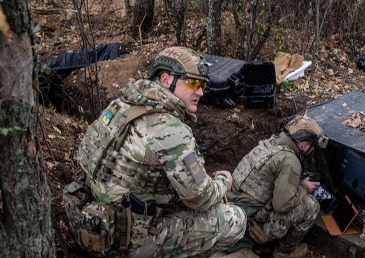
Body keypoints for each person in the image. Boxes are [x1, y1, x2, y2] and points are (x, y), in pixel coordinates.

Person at [74, 46, 246, 257]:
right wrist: (222, 182)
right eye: (193, 83)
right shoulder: (169, 129)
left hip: (99, 223)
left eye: (202, 85)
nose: (200, 92)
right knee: (235, 218)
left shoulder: (120, 106)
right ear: (166, 80)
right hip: (134, 240)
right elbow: (200, 198)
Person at [227, 113, 329, 258]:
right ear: (305, 144)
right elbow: (282, 205)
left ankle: (263, 247)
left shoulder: (271, 143)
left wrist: (294, 180)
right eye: (311, 146)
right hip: (251, 225)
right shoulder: (290, 160)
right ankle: (283, 252)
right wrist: (304, 187)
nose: (311, 150)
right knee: (311, 205)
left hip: (234, 212)